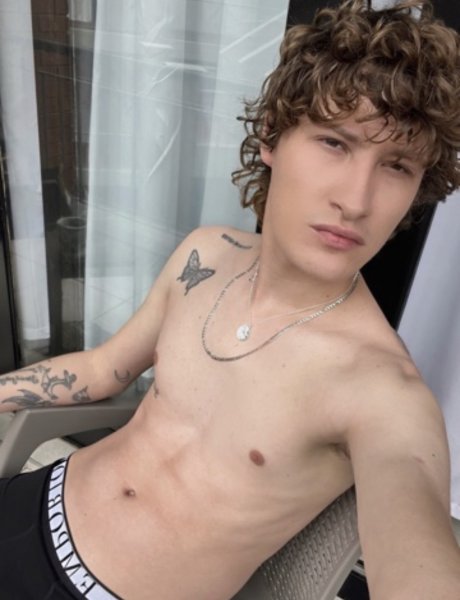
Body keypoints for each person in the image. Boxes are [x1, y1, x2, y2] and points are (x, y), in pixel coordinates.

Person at [1, 0, 460, 598]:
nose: (356, 200)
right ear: (271, 136)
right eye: (335, 142)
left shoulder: (383, 390)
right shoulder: (207, 254)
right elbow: (102, 368)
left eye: (397, 166)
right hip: (33, 501)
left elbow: (417, 552)